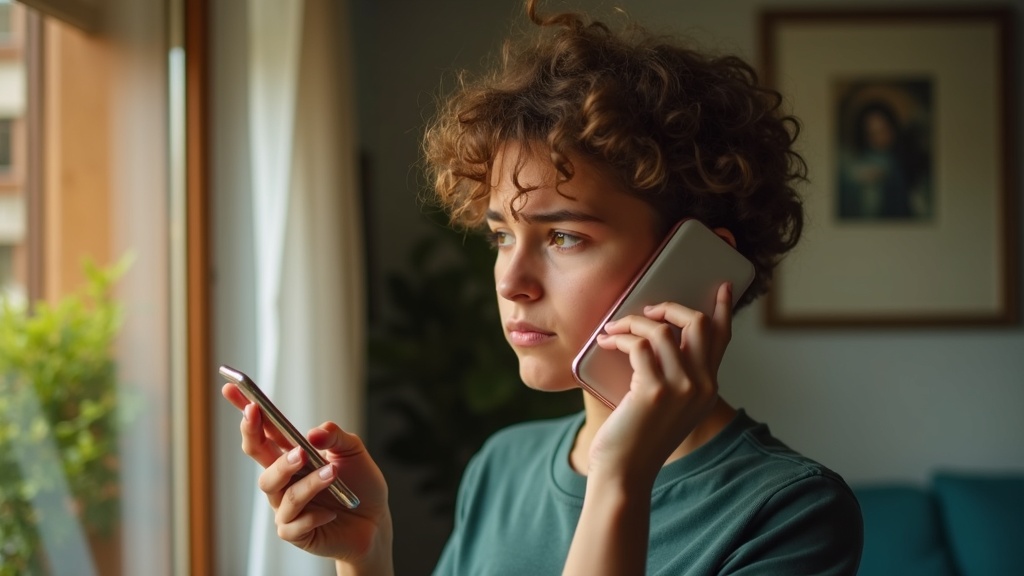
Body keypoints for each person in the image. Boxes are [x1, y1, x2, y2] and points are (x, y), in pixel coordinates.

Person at [222, 1, 864, 574]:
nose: (510, 280)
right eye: (502, 235)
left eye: (564, 237)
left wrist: (619, 479)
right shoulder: (503, 465)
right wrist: (367, 556)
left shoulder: (791, 514)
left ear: (696, 266)